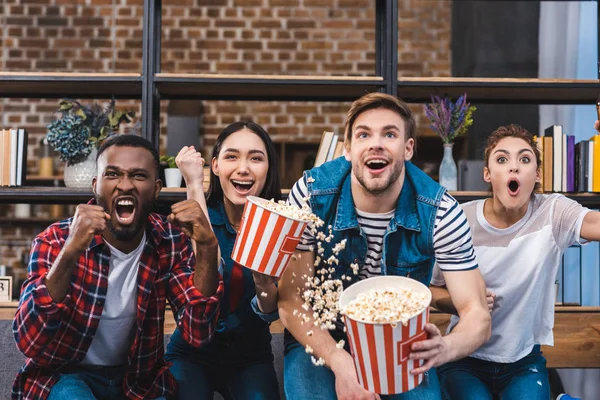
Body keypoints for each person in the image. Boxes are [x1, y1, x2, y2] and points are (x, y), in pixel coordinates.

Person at [278, 92, 492, 400]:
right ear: (348, 149)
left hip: (400, 338)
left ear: (408, 149)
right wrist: (343, 365)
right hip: (323, 334)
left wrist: (446, 347)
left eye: (389, 134)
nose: (376, 143)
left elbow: (477, 314)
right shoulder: (312, 195)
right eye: (364, 134)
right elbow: (291, 300)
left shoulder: (440, 210)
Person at [12, 134, 223, 400]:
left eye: (138, 175)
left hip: (137, 381)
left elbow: (198, 332)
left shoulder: (169, 240)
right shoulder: (56, 240)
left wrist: (207, 247)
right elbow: (29, 341)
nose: (125, 185)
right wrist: (71, 252)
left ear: (156, 188)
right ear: (95, 185)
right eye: (112, 174)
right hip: (65, 374)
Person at [432, 124, 600, 399]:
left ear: (537, 175)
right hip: (465, 359)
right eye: (501, 159)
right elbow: (428, 289)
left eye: (524, 159)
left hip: (523, 361)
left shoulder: (554, 213)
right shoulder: (459, 221)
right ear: (487, 174)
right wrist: (462, 302)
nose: (514, 167)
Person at [165, 121, 282, 399]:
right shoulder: (201, 215)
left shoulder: (280, 224)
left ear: (268, 168)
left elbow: (269, 310)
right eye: (232, 156)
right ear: (215, 166)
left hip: (251, 354)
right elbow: (207, 275)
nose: (243, 168)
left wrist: (263, 276)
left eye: (256, 158)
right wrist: (193, 182)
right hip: (191, 351)